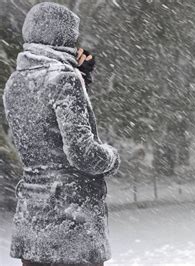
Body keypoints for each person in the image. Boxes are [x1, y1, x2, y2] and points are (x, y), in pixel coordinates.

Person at [2, 2, 120, 266]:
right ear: (61, 36)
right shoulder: (64, 79)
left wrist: (81, 78)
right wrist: (112, 157)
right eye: (72, 36)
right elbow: (82, 153)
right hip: (70, 220)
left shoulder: (15, 82)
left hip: (32, 219)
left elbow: (45, 137)